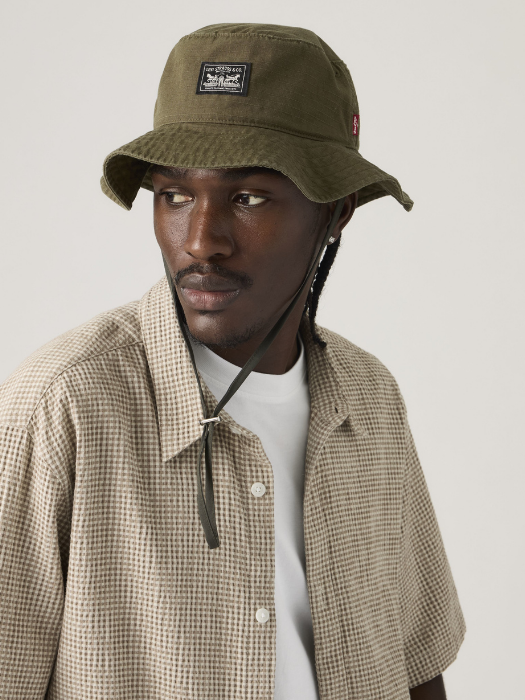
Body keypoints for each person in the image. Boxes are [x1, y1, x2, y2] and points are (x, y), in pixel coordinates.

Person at [0, 23, 465, 700]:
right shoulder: (63, 404)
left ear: (335, 212)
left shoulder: (368, 399)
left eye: (247, 198)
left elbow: (417, 661)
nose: (200, 242)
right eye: (175, 195)